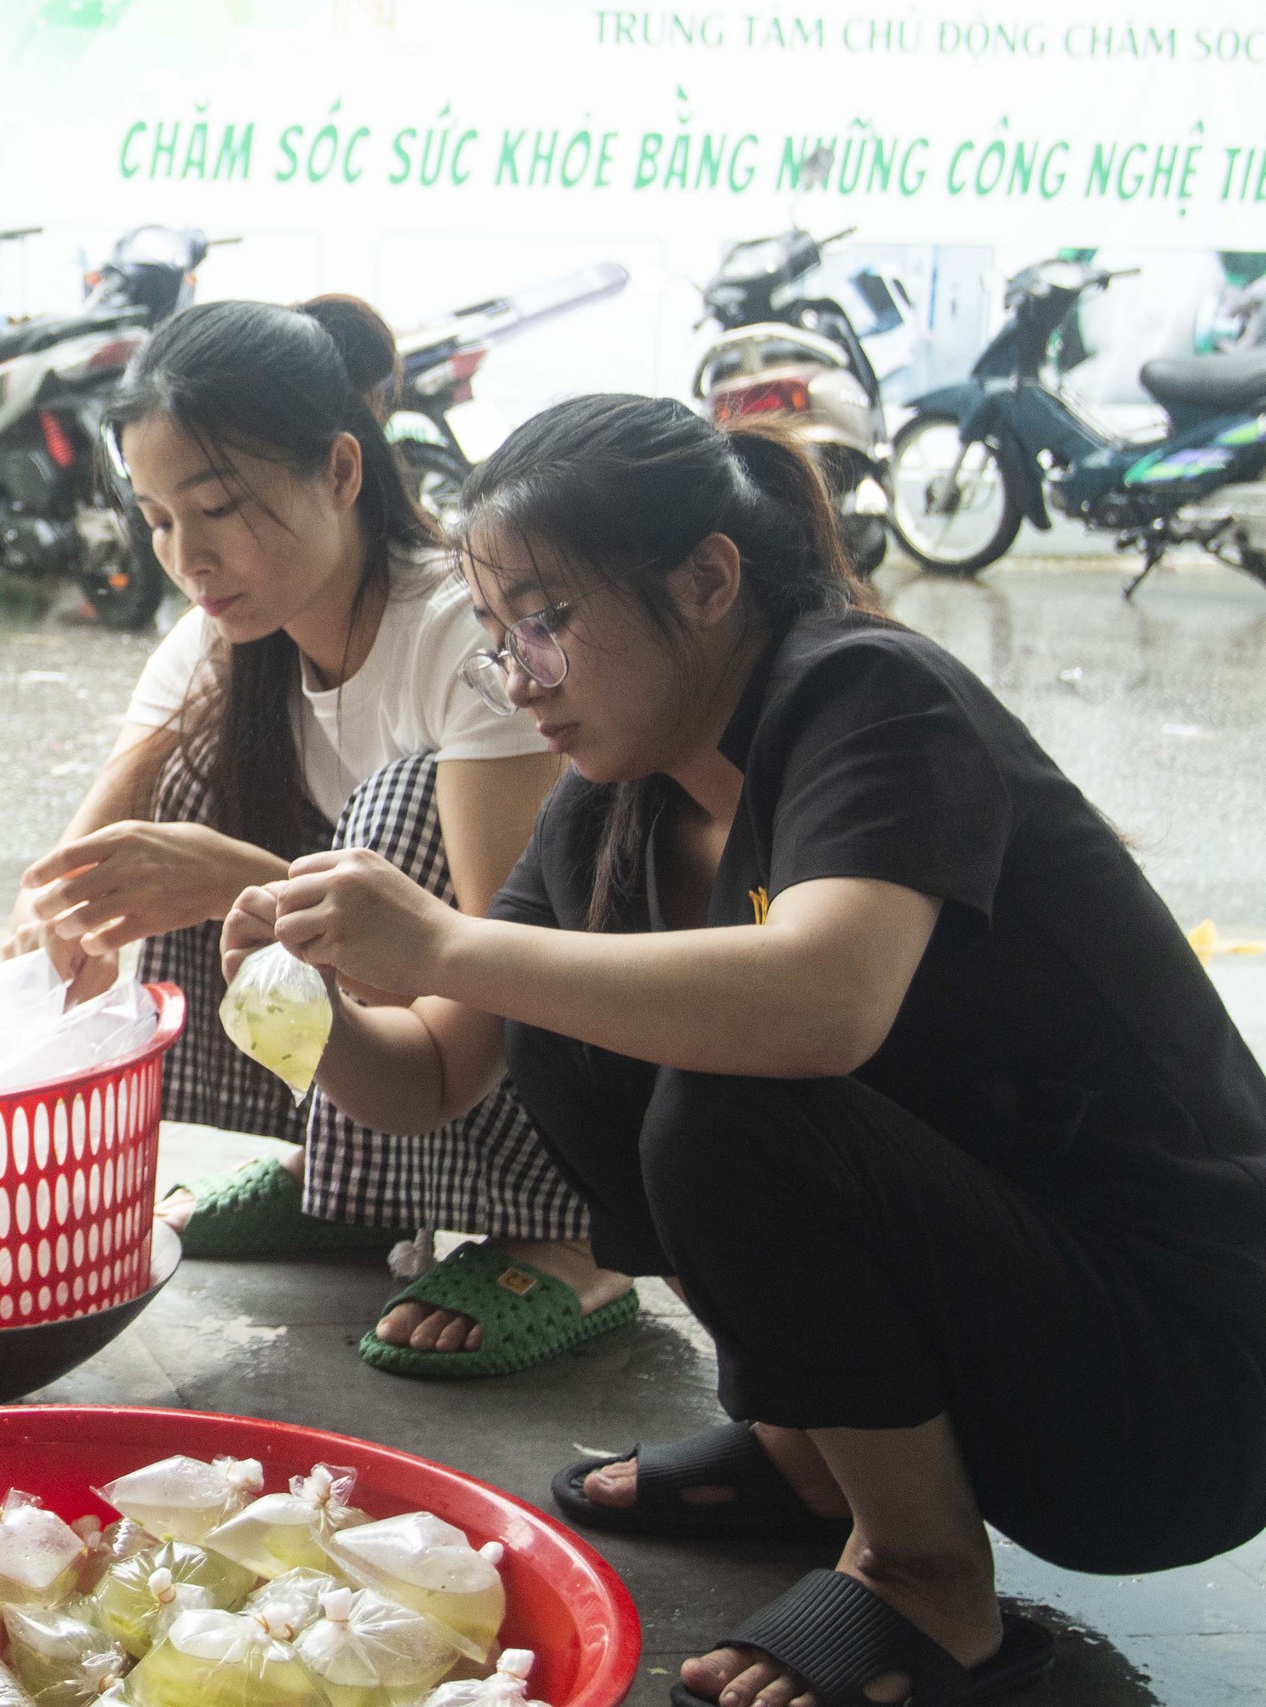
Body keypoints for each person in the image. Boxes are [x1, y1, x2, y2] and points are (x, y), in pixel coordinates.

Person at [224, 393, 1266, 1705]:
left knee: (729, 1103)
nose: (519, 674)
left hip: (1183, 1378)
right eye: (495, 636)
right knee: (573, 1019)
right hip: (1014, 1314)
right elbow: (442, 1070)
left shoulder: (868, 695)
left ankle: (923, 1574)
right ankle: (809, 1451)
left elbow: (824, 1001)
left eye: (544, 618)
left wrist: (438, 943)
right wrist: (304, 1012)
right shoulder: (613, 803)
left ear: (708, 581)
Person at [8, 296, 636, 1378]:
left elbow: (497, 978)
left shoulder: (459, 635)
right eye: (159, 520)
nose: (188, 556)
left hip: (563, 1040)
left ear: (341, 472)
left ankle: (567, 1240)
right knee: (182, 799)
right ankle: (353, 1185)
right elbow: (69, 875)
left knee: (388, 813)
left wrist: (238, 885)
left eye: (220, 508)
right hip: (405, 1031)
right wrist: (57, 947)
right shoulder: (217, 644)